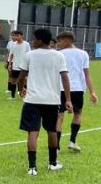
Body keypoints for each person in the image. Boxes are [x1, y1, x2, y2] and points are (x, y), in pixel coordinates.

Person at [17, 28, 72, 176]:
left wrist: (21, 88)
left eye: (34, 38)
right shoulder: (59, 56)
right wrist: (67, 99)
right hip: (51, 101)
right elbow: (65, 78)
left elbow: (22, 76)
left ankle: (32, 168)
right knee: (51, 131)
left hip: (32, 100)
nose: (32, 41)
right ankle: (53, 163)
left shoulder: (29, 55)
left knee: (32, 133)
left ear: (40, 40)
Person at [56, 31, 98, 152]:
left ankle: (57, 146)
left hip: (61, 88)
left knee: (59, 116)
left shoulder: (59, 54)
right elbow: (87, 75)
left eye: (60, 41)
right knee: (77, 114)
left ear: (67, 40)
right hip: (78, 89)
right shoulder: (83, 54)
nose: (58, 44)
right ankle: (72, 142)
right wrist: (92, 92)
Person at [6, 30, 30, 101]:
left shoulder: (26, 44)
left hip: (23, 67)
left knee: (24, 80)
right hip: (15, 66)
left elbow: (29, 55)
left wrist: (28, 65)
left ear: (21, 36)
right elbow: (11, 55)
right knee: (13, 80)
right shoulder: (13, 44)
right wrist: (10, 64)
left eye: (17, 35)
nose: (16, 37)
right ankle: (12, 96)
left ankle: (25, 96)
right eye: (15, 35)